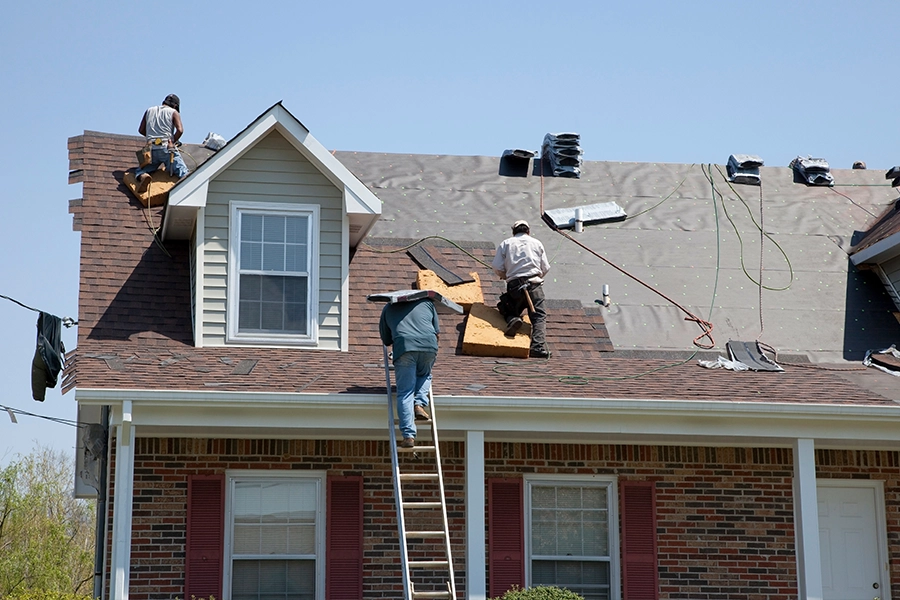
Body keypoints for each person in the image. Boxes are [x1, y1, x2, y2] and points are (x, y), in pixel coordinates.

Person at [379, 297, 440, 448]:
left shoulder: (389, 307)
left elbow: (386, 340)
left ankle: (408, 436)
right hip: (429, 345)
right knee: (424, 375)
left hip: (404, 346)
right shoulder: (427, 303)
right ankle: (419, 404)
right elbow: (437, 333)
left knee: (405, 392)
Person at [492, 220, 552, 358]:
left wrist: (506, 275)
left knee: (507, 308)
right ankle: (537, 346)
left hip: (515, 286)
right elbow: (546, 267)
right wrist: (536, 276)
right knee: (539, 316)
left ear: (514, 232)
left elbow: (496, 266)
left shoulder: (506, 243)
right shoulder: (537, 243)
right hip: (534, 284)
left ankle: (513, 319)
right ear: (528, 231)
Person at [134, 94, 189, 193]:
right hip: (165, 146)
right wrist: (172, 141)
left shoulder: (149, 110)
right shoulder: (173, 112)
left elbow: (141, 130)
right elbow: (180, 130)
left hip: (150, 149)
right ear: (175, 106)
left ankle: (143, 176)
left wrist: (152, 139)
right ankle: (178, 191)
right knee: (183, 172)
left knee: (140, 170)